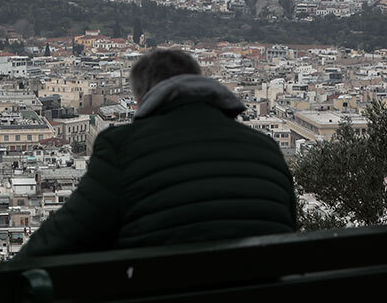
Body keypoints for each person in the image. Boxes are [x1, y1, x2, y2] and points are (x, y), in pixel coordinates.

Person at [17, 49, 297, 258]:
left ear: (141, 98)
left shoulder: (122, 147)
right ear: (198, 83)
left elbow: (60, 240)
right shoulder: (266, 147)